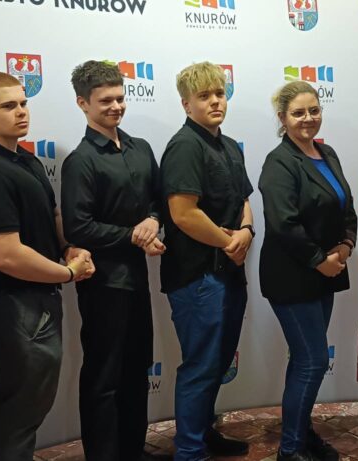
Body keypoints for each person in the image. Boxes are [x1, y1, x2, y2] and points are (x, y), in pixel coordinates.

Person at [0, 71, 95, 461]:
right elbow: (6, 255)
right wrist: (69, 273)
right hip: (14, 301)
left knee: (28, 400)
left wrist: (67, 247)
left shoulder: (23, 157)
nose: (21, 112)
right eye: (8, 106)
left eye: (23, 103)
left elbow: (50, 215)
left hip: (35, 297)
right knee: (22, 403)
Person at [61, 60, 166, 461]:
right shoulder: (81, 160)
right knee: (104, 378)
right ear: (83, 104)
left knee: (137, 370)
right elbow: (78, 227)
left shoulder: (141, 149)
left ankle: (132, 451)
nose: (116, 106)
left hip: (137, 280)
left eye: (120, 98)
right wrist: (133, 236)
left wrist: (153, 221)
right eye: (105, 100)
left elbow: (159, 202)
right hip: (103, 284)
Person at [159, 61, 254, 461]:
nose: (215, 101)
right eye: (204, 96)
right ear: (186, 104)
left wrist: (246, 231)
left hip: (229, 270)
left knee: (217, 364)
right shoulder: (185, 146)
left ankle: (203, 434)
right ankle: (189, 451)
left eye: (219, 93)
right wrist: (230, 241)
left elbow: (245, 200)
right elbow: (183, 214)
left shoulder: (229, 145)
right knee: (200, 366)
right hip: (197, 276)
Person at [258, 81, 357, 461]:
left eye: (314, 110)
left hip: (325, 273)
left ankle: (301, 434)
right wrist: (320, 260)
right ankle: (290, 450)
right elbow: (283, 223)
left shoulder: (326, 153)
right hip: (292, 276)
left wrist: (346, 245)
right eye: (298, 112)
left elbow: (346, 207)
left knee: (305, 361)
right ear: (282, 118)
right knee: (313, 361)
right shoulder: (279, 162)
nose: (308, 118)